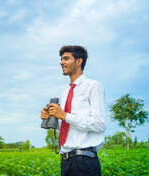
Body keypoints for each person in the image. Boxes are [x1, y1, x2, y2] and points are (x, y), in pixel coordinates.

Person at [41, 45, 106, 176]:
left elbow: (100, 124)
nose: (61, 62)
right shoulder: (66, 92)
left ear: (78, 61)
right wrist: (51, 117)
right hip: (66, 161)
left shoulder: (93, 86)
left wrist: (64, 115)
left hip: (84, 160)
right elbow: (67, 127)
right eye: (61, 59)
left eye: (66, 59)